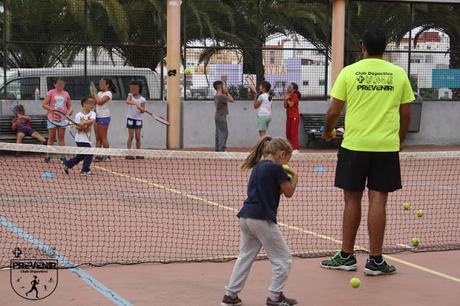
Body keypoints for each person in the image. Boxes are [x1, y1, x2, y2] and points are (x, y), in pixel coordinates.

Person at [320, 30, 413, 276]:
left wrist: (327, 132)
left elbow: (333, 111)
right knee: (378, 200)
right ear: (384, 49)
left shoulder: (349, 72)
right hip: (385, 147)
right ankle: (376, 260)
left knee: (351, 200)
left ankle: (347, 256)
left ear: (362, 46)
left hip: (355, 146)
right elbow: (406, 115)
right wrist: (399, 140)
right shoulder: (398, 74)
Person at [221, 136, 298, 306]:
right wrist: (295, 176)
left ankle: (230, 295)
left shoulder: (258, 168)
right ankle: (275, 297)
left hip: (246, 218)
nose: (286, 162)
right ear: (281, 154)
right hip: (261, 219)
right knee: (283, 258)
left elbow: (271, 192)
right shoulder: (277, 169)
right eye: (287, 159)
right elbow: (289, 192)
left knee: (245, 257)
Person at [61, 97, 96, 176]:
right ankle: (85, 170)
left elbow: (92, 121)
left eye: (92, 103)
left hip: (87, 138)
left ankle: (67, 164)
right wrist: (81, 127)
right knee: (89, 154)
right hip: (80, 139)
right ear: (84, 104)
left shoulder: (92, 113)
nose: (92, 105)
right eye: (89, 103)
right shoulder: (78, 115)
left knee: (81, 155)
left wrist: (83, 123)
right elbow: (77, 128)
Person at [42, 78, 73, 162]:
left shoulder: (66, 94)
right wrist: (53, 110)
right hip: (52, 118)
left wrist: (68, 113)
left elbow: (70, 107)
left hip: (62, 119)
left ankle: (62, 156)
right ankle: (48, 155)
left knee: (61, 137)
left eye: (62, 84)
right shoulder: (50, 92)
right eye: (59, 84)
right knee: (51, 137)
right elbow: (44, 104)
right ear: (55, 84)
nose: (61, 85)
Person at [92, 78, 116, 162]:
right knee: (98, 138)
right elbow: (95, 103)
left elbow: (99, 102)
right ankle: (98, 155)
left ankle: (107, 155)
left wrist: (94, 93)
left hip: (104, 117)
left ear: (107, 85)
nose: (100, 85)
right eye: (100, 83)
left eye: (102, 83)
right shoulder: (99, 93)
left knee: (103, 137)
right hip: (97, 117)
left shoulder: (108, 93)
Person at [125, 81, 146, 159]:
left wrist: (141, 108)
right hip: (130, 118)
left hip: (138, 119)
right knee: (131, 136)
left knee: (137, 137)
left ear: (139, 88)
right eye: (131, 88)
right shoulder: (130, 95)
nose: (133, 90)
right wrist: (135, 104)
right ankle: (128, 154)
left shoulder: (143, 99)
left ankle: (138, 153)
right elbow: (127, 101)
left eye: (135, 88)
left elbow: (143, 111)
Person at [213, 80, 234, 152]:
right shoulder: (221, 96)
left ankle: (217, 149)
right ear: (219, 86)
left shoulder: (217, 95)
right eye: (223, 85)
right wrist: (227, 92)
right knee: (224, 133)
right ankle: (221, 150)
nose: (225, 87)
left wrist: (225, 92)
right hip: (221, 117)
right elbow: (232, 100)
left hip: (218, 116)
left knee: (218, 133)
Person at [284, 83, 301, 153]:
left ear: (294, 89)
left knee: (293, 133)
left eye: (290, 87)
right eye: (288, 87)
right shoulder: (287, 95)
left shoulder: (295, 96)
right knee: (288, 133)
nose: (288, 88)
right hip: (288, 117)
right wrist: (285, 99)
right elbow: (285, 106)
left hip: (295, 117)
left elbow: (291, 105)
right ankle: (290, 147)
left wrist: (287, 99)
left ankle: (296, 149)